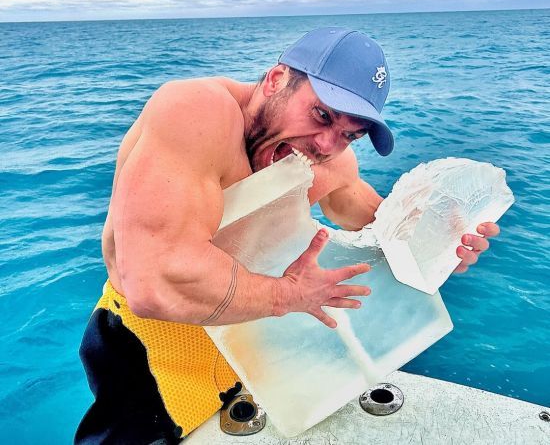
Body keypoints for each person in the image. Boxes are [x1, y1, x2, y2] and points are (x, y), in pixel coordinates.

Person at [75, 27, 500, 444]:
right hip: (155, 345)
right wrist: (287, 295)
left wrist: (442, 242)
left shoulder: (327, 160)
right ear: (277, 79)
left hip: (251, 341)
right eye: (322, 114)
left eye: (350, 135)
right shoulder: (197, 111)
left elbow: (381, 226)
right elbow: (154, 281)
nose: (326, 144)